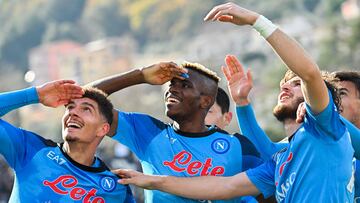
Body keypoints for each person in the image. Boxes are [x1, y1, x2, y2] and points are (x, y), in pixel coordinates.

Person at [113, 3, 355, 202]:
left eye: (294, 83)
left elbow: (310, 74)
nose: (284, 85)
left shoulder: (326, 129)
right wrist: (154, 181)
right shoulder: (278, 161)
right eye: (285, 82)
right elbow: (225, 186)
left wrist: (257, 21)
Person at [90, 61, 260, 202]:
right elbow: (82, 101)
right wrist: (140, 75)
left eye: (185, 85)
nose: (173, 89)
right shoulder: (147, 132)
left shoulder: (238, 146)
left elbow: (275, 189)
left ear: (205, 101)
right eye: (172, 84)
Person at [0, 80, 135, 202]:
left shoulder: (116, 189)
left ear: (103, 129)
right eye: (70, 107)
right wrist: (36, 94)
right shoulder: (31, 149)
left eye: (86, 109)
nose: (73, 112)